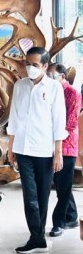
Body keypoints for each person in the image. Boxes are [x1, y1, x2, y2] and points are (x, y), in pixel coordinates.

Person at [7, 47, 67, 254]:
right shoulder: (19, 86)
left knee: (42, 195)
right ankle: (36, 236)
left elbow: (59, 121)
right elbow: (14, 118)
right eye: (27, 63)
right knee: (29, 195)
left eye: (34, 65)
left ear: (44, 66)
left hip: (44, 150)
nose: (30, 68)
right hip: (23, 148)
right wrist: (10, 147)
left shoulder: (53, 88)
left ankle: (38, 237)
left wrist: (58, 152)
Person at [47, 63, 80, 236]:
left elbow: (71, 122)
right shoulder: (51, 92)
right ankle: (72, 216)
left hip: (67, 146)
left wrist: (56, 137)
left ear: (63, 77)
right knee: (61, 185)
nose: (50, 78)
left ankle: (59, 222)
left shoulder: (72, 93)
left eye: (53, 75)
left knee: (63, 187)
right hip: (50, 145)